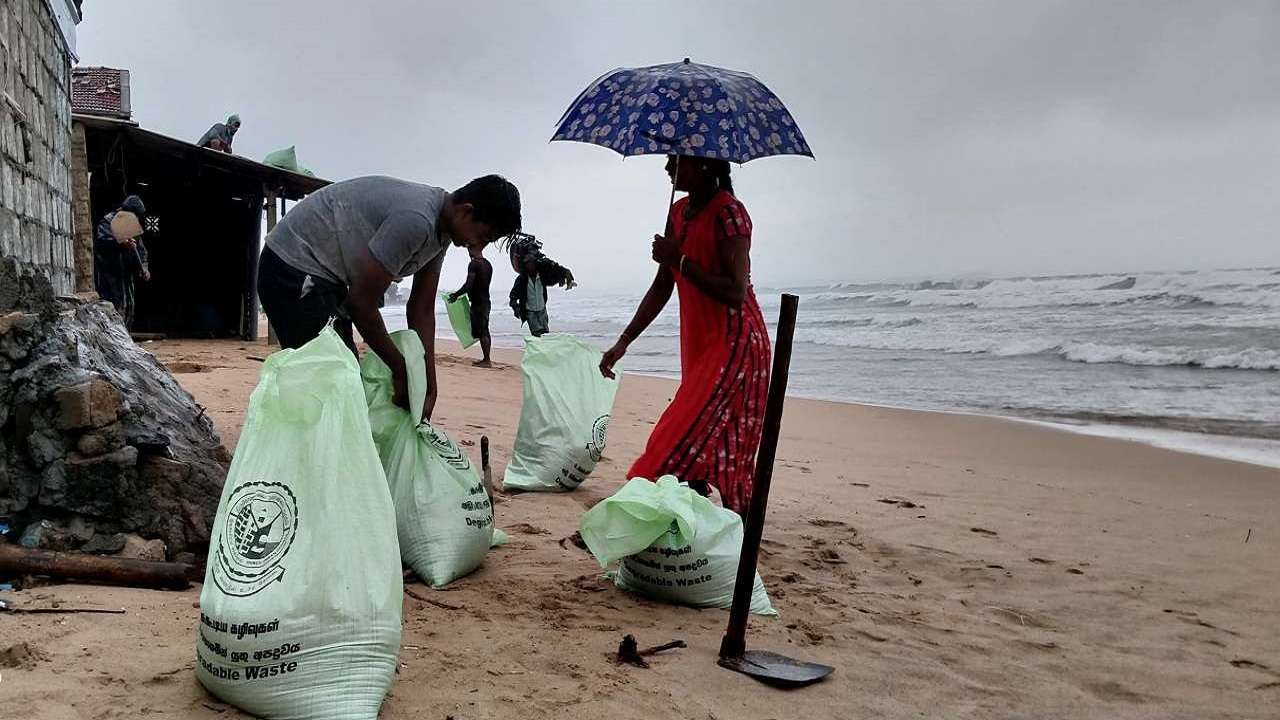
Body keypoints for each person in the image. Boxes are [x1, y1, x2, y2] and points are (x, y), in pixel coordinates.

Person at [258, 174, 521, 419]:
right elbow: (361, 304)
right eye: (483, 237)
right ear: (467, 211)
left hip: (327, 278)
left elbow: (421, 309)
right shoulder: (416, 221)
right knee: (332, 382)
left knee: (345, 380)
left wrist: (428, 383)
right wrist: (400, 368)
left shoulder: (441, 233)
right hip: (292, 266)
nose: (478, 246)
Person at [598, 155, 771, 515]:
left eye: (675, 161)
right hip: (701, 345)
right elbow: (663, 285)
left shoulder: (730, 214)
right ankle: (698, 523)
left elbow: (736, 291)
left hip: (737, 345)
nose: (667, 168)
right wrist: (625, 340)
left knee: (680, 437)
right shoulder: (678, 214)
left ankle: (637, 513)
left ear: (705, 165)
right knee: (714, 438)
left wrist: (680, 260)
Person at [93, 195, 151, 328]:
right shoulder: (108, 221)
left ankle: (126, 339)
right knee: (114, 309)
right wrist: (121, 245)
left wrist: (144, 268)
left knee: (129, 307)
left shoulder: (131, 225)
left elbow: (141, 251)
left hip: (126, 276)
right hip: (111, 275)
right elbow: (102, 245)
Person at [507, 234, 575, 337]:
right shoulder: (521, 280)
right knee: (537, 335)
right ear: (524, 264)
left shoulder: (542, 276)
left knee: (545, 334)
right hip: (530, 312)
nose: (530, 265)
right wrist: (516, 309)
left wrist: (565, 273)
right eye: (528, 263)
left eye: (532, 262)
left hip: (542, 309)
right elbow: (512, 296)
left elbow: (554, 271)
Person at [447, 246, 494, 366]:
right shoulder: (488, 264)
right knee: (485, 330)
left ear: (472, 250)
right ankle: (486, 358)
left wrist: (456, 295)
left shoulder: (474, 264)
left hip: (478, 303)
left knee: (482, 331)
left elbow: (469, 284)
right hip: (486, 301)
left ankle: (487, 360)